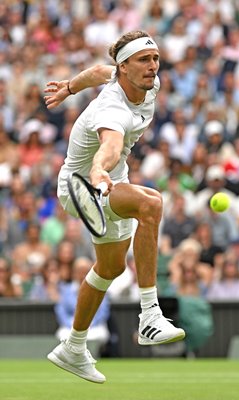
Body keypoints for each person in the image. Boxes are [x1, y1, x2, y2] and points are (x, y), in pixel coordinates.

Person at [44, 30, 185, 384]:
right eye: (143, 60)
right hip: (82, 187)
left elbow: (95, 72)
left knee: (109, 269)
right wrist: (98, 169)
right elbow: (109, 144)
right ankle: (150, 315)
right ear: (123, 68)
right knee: (151, 203)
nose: (152, 66)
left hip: (110, 182)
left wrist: (70, 87)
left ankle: (73, 347)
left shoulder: (138, 80)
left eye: (155, 58)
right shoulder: (111, 109)